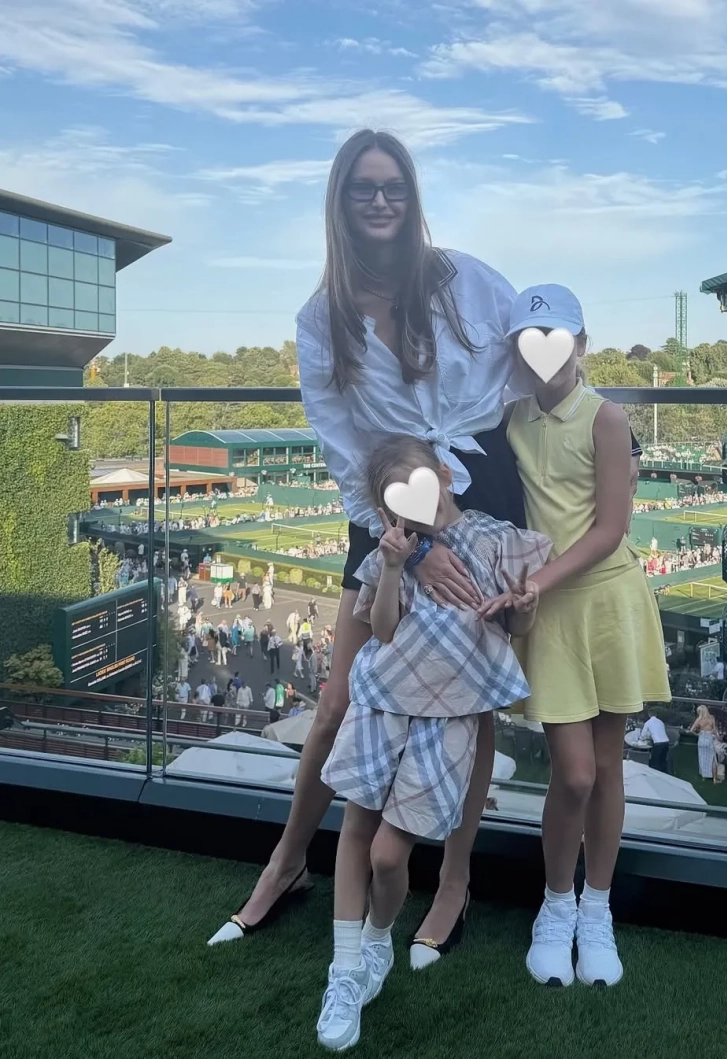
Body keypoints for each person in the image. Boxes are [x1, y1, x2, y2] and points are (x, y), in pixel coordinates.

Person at [207, 128, 533, 957]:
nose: (381, 199)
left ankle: (453, 880)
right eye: (364, 187)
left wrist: (595, 429)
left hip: (481, 492)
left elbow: (538, 346)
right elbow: (342, 445)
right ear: (342, 201)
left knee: (472, 701)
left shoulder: (463, 278)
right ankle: (287, 861)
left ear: (412, 196)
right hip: (387, 506)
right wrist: (413, 548)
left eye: (394, 185)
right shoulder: (320, 320)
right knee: (338, 700)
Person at [315, 436, 549, 1049]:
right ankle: (345, 969)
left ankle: (377, 938)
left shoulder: (494, 539)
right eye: (398, 503)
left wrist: (524, 605)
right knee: (355, 830)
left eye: (421, 486)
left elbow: (517, 623)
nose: (415, 508)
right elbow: (382, 631)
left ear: (445, 474)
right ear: (386, 511)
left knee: (389, 855)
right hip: (381, 702)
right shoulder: (395, 551)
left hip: (450, 716)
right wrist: (395, 565)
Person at [484, 283, 670, 989]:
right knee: (575, 772)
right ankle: (556, 904)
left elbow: (611, 529)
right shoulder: (510, 419)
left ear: (581, 345)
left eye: (557, 340)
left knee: (609, 764)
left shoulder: (607, 418)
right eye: (529, 343)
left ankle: (597, 908)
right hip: (552, 610)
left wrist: (538, 579)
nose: (544, 356)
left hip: (607, 599)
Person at [690, 704, 720, 780]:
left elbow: (691, 730)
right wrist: (717, 736)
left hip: (702, 739)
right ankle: (713, 776)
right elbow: (714, 730)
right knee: (712, 758)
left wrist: (697, 734)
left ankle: (704, 775)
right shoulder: (712, 718)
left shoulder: (699, 720)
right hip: (709, 739)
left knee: (702, 758)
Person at [640, 709, 670, 774]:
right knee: (662, 761)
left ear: (649, 715)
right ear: (656, 715)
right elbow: (659, 732)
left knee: (655, 762)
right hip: (666, 742)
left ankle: (654, 775)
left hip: (658, 743)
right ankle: (664, 774)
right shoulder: (661, 722)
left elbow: (643, 735)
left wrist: (641, 739)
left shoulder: (648, 723)